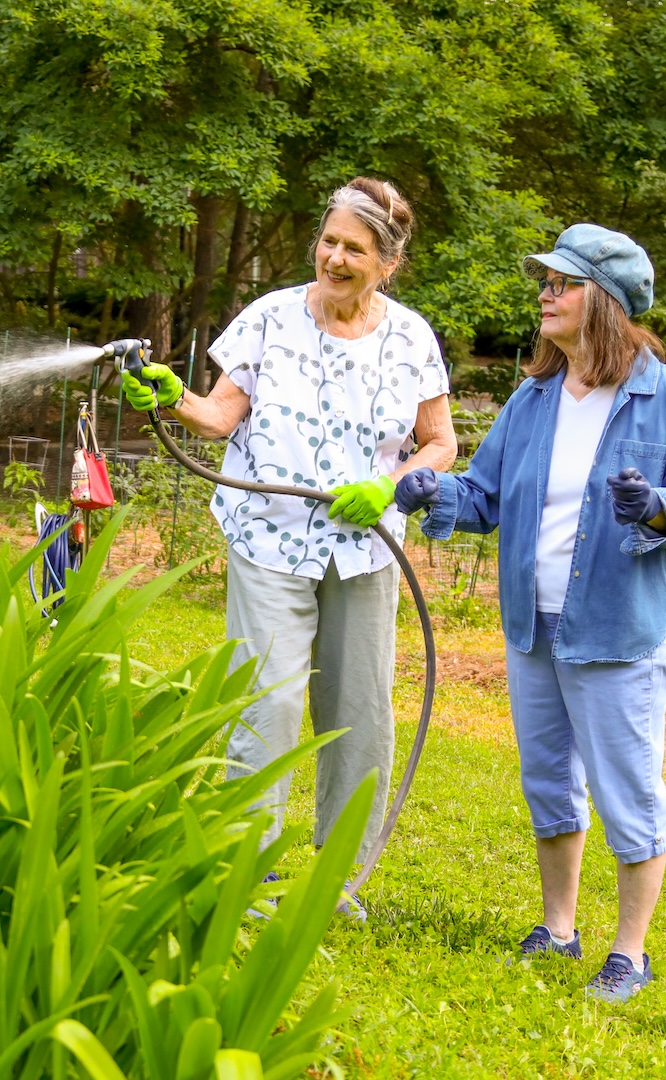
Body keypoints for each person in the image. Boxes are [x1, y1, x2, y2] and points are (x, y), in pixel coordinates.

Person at [392, 224, 666, 1001]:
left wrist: (657, 508)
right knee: (548, 782)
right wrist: (432, 490)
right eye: (545, 280)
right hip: (533, 628)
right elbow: (486, 497)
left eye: (562, 283)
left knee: (627, 792)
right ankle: (560, 929)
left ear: (603, 301)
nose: (546, 292)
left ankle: (630, 953)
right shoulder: (534, 398)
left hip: (618, 631)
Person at [119, 177, 457, 921]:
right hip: (269, 540)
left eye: (354, 249)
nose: (334, 258)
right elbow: (215, 417)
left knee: (358, 712)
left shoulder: (410, 338)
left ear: (389, 264)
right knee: (264, 708)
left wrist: (392, 485)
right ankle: (254, 877)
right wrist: (171, 394)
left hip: (367, 551)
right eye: (328, 240)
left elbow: (440, 443)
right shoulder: (270, 318)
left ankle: (337, 881)